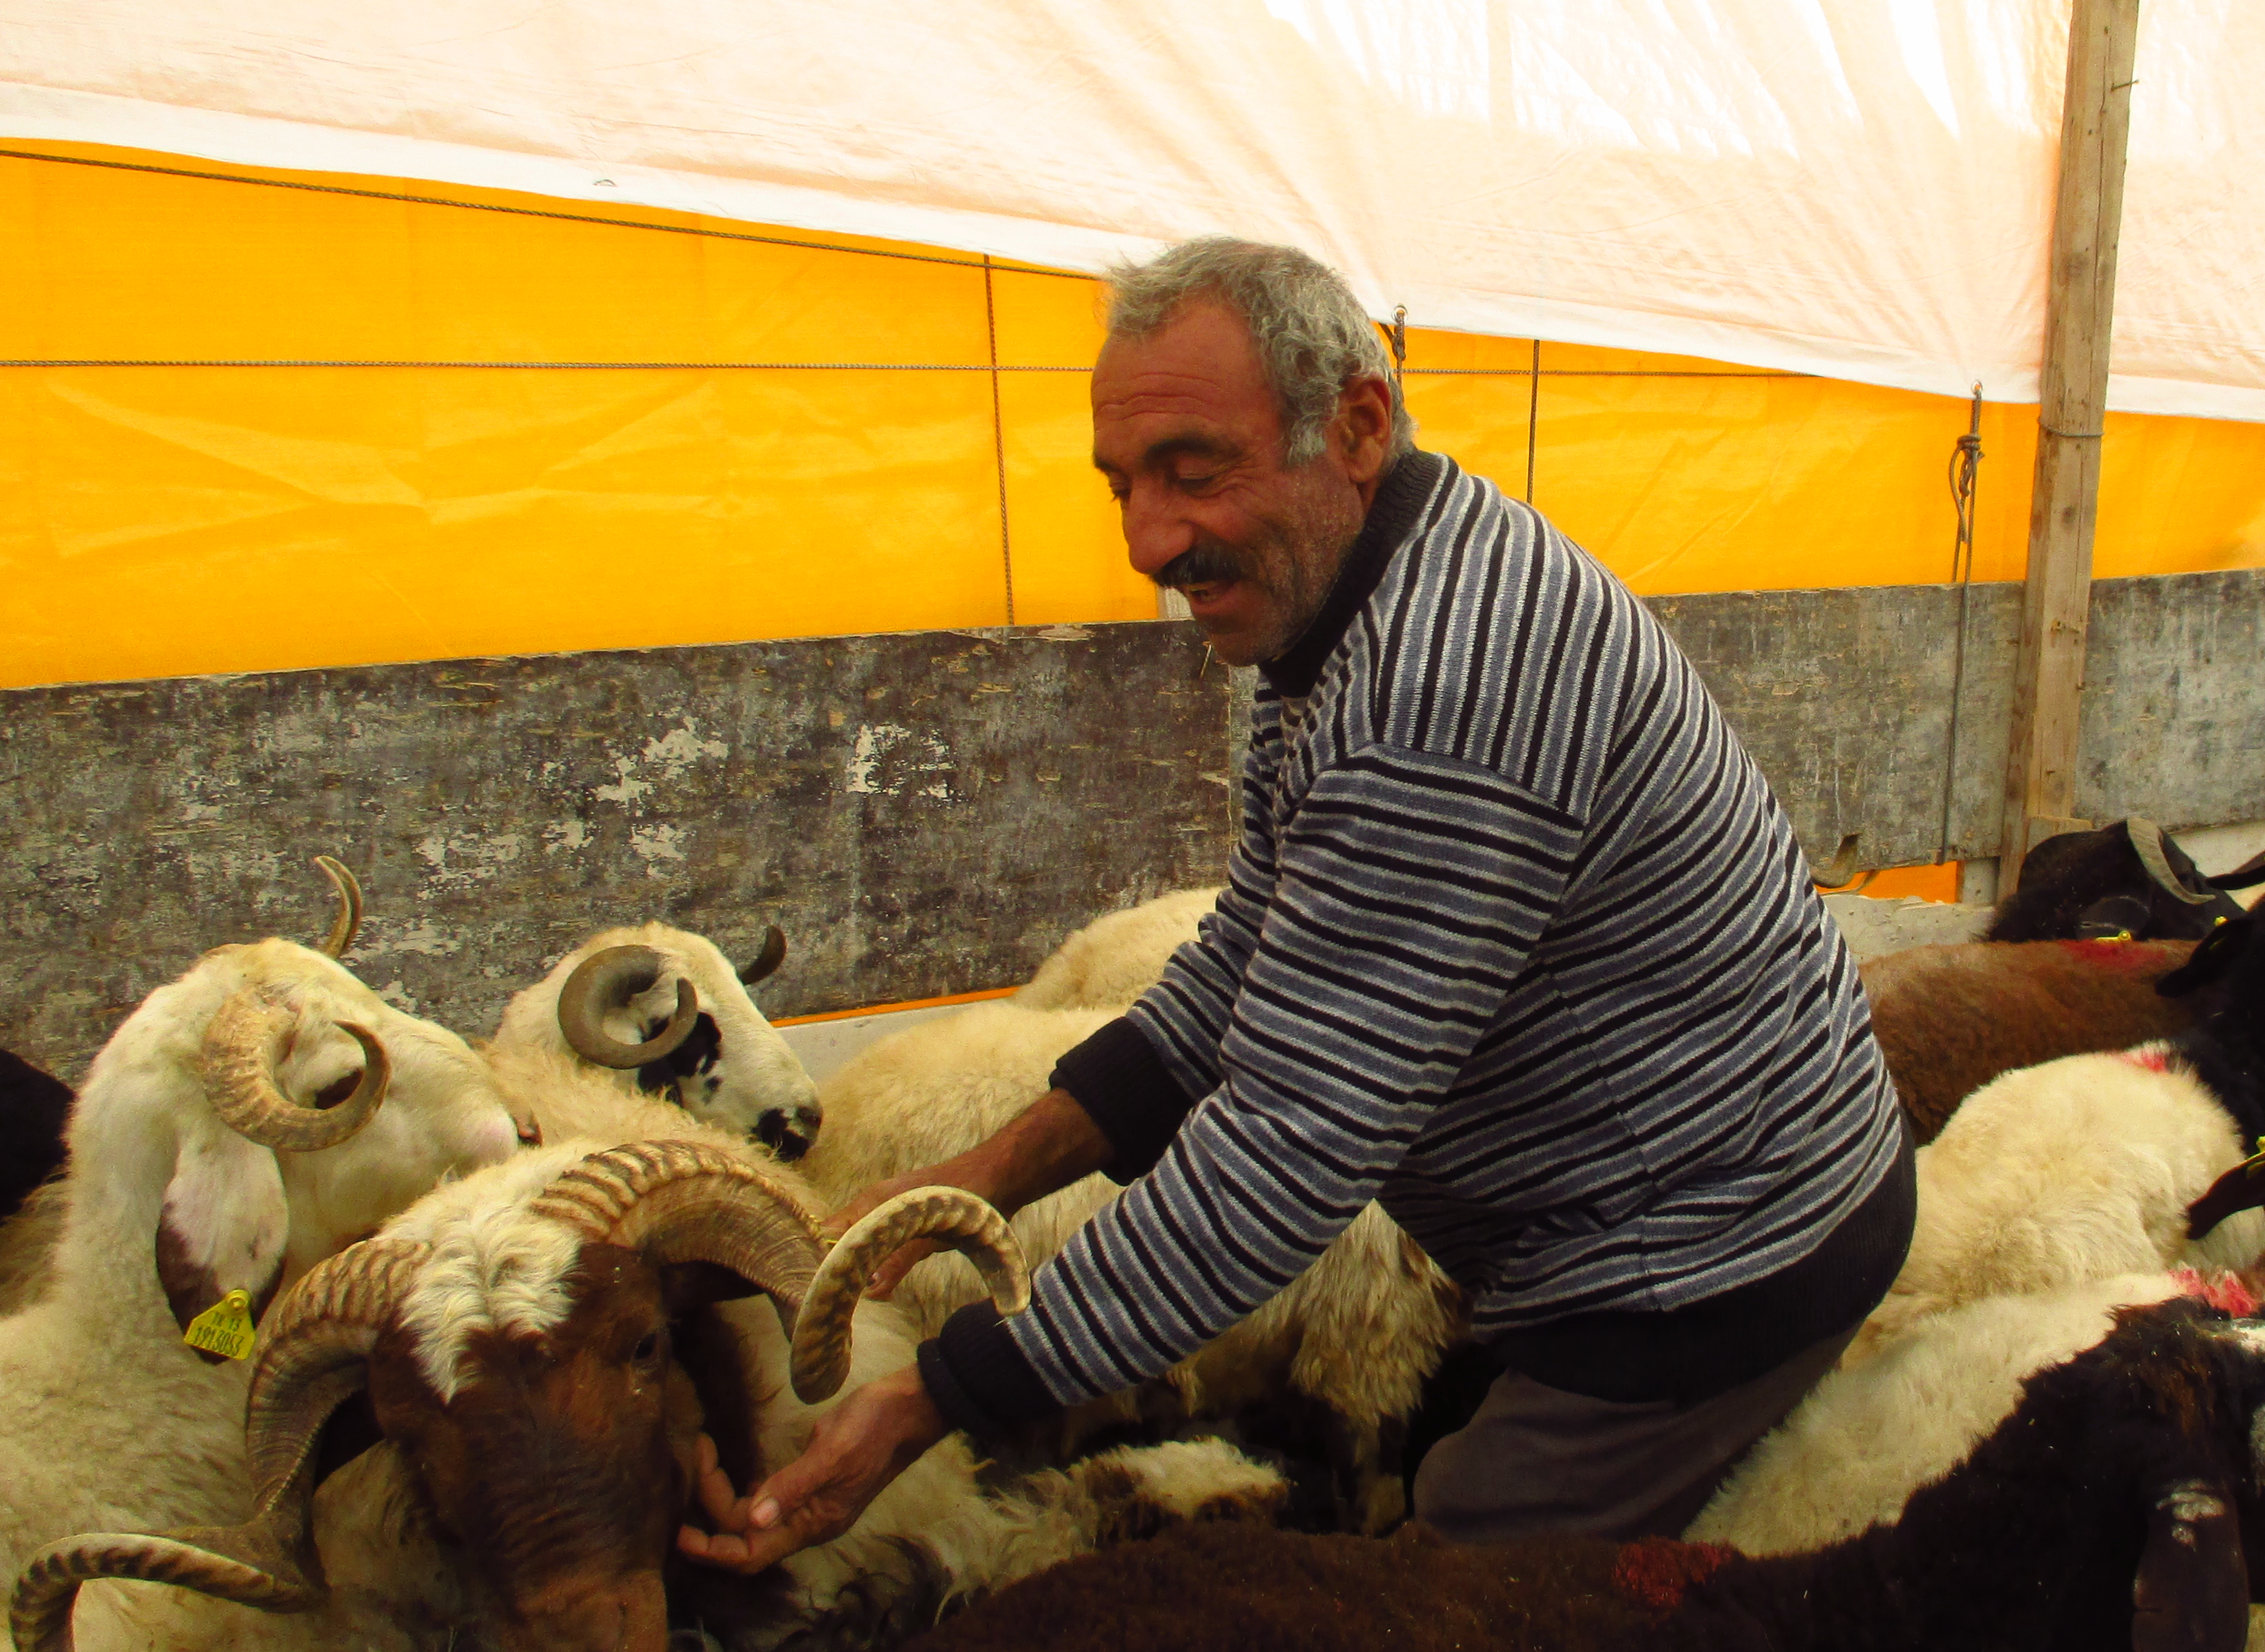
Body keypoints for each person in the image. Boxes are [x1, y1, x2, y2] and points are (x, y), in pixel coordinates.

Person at [681, 236, 1907, 1566]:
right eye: (1123, 483)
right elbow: (1246, 954)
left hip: (1715, 1251)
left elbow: (1290, 1145)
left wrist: (937, 1398)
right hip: (1633, 1209)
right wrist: (981, 1175)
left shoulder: (1438, 693)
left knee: (1455, 1589)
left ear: (1359, 426)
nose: (1150, 542)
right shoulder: (1344, 606)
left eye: (1195, 470)